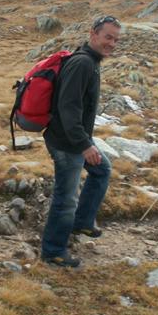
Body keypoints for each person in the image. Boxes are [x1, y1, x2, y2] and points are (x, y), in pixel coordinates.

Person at [41, 16, 121, 267]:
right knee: (66, 197)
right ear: (93, 34)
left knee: (101, 170)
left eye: (116, 40)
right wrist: (84, 145)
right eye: (108, 37)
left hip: (74, 138)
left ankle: (82, 222)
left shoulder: (90, 61)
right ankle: (53, 251)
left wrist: (85, 142)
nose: (112, 44)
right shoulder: (83, 63)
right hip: (67, 142)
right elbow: (68, 108)